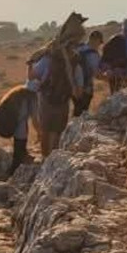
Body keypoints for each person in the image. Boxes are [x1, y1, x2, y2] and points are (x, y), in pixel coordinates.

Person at [31, 12, 87, 157]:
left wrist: (30, 65)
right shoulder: (76, 65)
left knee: (45, 131)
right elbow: (78, 94)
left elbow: (33, 76)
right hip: (62, 102)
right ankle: (53, 160)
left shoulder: (49, 59)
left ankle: (45, 160)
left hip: (46, 100)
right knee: (57, 132)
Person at [9, 80, 41, 175]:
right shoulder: (32, 98)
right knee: (19, 150)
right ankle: (14, 172)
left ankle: (14, 169)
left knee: (17, 149)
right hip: (21, 129)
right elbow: (34, 119)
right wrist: (39, 133)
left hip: (13, 125)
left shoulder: (18, 93)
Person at [74, 31, 103, 116]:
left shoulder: (79, 48)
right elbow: (96, 74)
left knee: (77, 111)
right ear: (96, 40)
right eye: (99, 42)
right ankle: (77, 128)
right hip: (86, 88)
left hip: (74, 87)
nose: (99, 45)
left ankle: (72, 127)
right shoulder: (92, 54)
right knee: (82, 114)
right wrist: (108, 77)